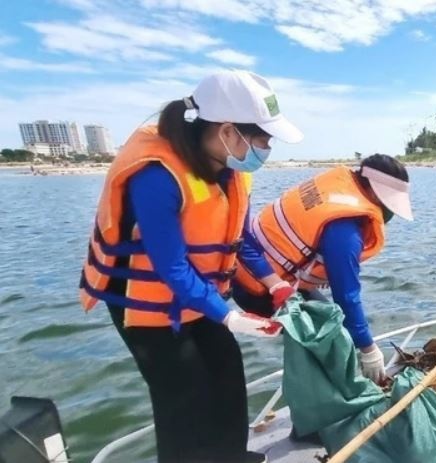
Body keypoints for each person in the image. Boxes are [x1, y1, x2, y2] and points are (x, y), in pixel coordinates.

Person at [78, 70, 303, 463]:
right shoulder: (156, 176)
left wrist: (273, 283)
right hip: (145, 306)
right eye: (263, 138)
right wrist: (229, 316)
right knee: (183, 402)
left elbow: (240, 239)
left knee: (228, 376)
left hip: (199, 298)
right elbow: (171, 267)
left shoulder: (231, 173)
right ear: (228, 131)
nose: (268, 147)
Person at [232, 154, 413, 384]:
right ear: (376, 191)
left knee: (338, 330)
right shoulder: (345, 231)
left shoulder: (339, 188)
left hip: (258, 270)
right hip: (261, 288)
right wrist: (368, 348)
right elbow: (346, 296)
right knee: (333, 346)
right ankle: (316, 414)